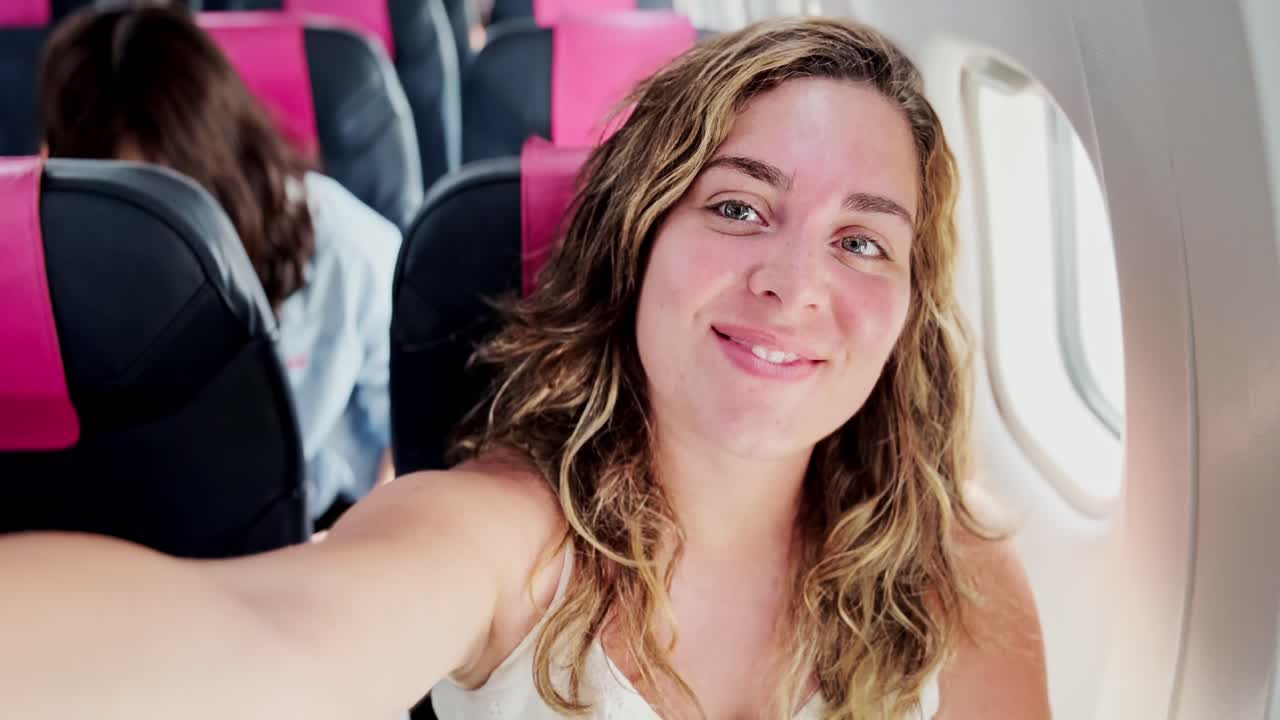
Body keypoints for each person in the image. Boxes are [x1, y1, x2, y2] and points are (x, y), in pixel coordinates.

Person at [3, 16, 1051, 720]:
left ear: (908, 304)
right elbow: (272, 634)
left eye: (862, 241)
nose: (793, 281)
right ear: (636, 243)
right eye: (738, 207)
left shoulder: (955, 565)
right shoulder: (510, 535)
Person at [37, 5, 401, 526]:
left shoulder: (347, 246)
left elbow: (414, 441)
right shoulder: (51, 246)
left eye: (163, 202)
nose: (148, 237)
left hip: (308, 536)